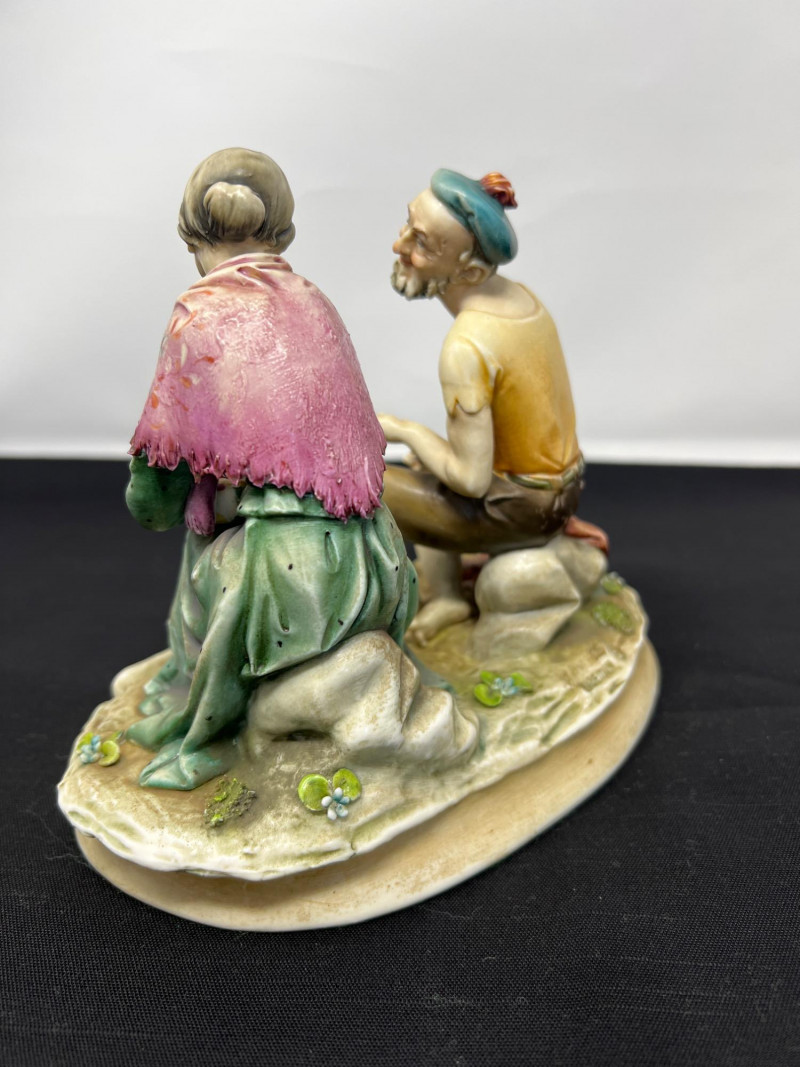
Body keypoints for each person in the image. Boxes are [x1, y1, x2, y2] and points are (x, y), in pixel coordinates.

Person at [125, 148, 416, 789]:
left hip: (282, 581)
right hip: (378, 564)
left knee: (204, 539)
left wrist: (166, 500)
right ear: (283, 233)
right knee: (220, 511)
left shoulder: (198, 314)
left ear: (190, 234)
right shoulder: (316, 302)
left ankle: (212, 716)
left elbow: (156, 491)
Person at [379, 169, 605, 645]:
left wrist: (402, 428)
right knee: (424, 465)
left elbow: (470, 480)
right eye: (408, 225)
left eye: (422, 243)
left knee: (371, 484)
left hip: (524, 508)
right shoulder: (523, 301)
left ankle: (387, 604)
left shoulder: (467, 345)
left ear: (470, 273)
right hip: (561, 489)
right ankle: (447, 597)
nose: (400, 245)